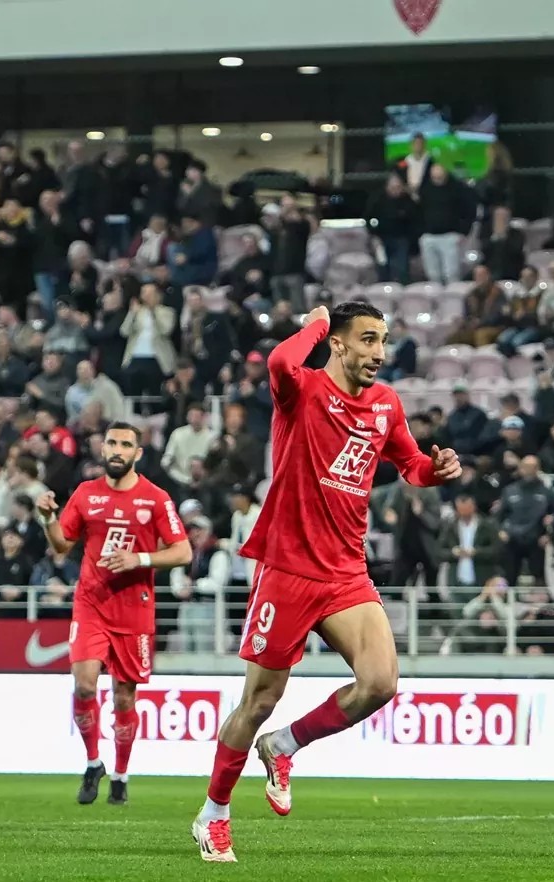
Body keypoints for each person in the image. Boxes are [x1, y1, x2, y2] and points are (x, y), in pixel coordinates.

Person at [192, 302, 461, 863]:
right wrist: (315, 321)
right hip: (287, 569)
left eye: (383, 341)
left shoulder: (385, 404)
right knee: (258, 701)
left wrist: (434, 471)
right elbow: (277, 361)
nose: (379, 354)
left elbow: (409, 464)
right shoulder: (303, 390)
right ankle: (214, 812)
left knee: (381, 682)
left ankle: (285, 745)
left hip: (344, 571)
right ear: (337, 343)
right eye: (367, 340)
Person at [35, 422, 191, 806]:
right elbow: (61, 546)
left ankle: (120, 774)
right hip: (91, 603)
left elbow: (182, 552)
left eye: (125, 444)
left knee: (124, 697)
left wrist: (138, 558)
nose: (117, 450)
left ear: (138, 453)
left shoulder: (155, 498)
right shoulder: (86, 495)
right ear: (102, 449)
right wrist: (48, 518)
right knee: (85, 685)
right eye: (111, 443)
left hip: (134, 609)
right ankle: (92, 763)